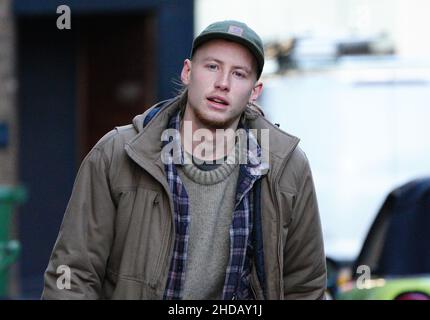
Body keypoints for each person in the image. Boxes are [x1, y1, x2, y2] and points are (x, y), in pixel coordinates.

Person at [42, 20, 326, 300]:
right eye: (212, 66)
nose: (223, 83)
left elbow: (304, 287)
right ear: (188, 72)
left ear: (255, 91)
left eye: (239, 74)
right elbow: (72, 275)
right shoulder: (117, 154)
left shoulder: (287, 166)